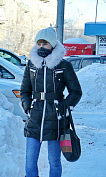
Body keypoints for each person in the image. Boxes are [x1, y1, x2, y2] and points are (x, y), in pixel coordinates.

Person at [20, 27, 82, 177]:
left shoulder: (63, 65)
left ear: (53, 45)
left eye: (45, 43)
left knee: (54, 161)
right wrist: (28, 106)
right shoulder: (31, 64)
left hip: (56, 119)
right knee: (29, 161)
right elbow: (24, 90)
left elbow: (76, 91)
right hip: (35, 118)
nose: (41, 47)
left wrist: (64, 107)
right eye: (39, 43)